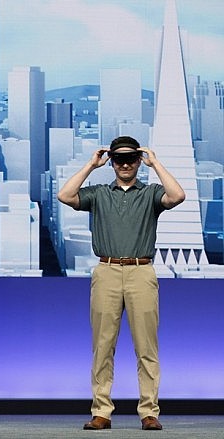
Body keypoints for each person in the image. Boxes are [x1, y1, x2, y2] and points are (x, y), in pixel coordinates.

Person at [57, 136, 185, 431]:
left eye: (131, 159)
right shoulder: (99, 193)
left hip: (141, 271)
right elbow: (66, 195)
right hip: (107, 271)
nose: (125, 164)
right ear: (111, 162)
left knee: (146, 347)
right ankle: (101, 411)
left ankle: (149, 411)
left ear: (139, 160)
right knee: (102, 346)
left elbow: (177, 196)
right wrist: (91, 165)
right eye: (119, 159)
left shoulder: (151, 193)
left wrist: (156, 163)